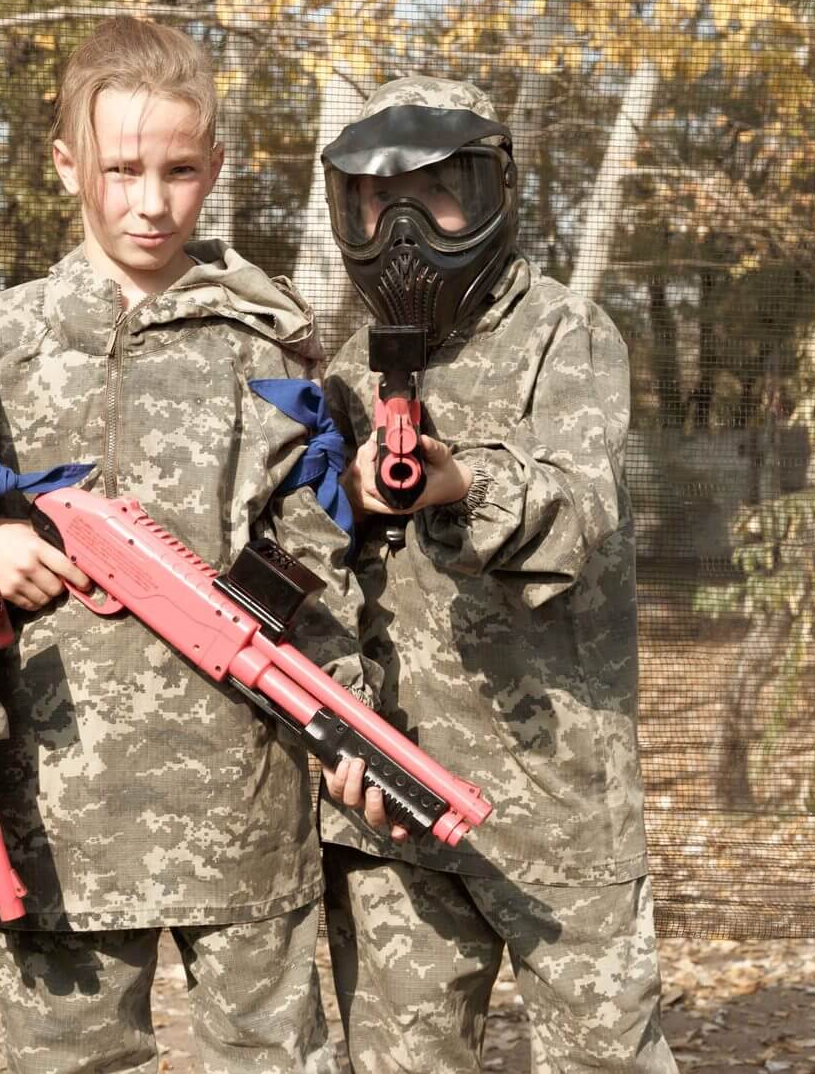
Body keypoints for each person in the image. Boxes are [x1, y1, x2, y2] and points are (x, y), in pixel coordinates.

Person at [0, 16, 370, 1073]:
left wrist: (348, 717)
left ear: (216, 167)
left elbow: (321, 548)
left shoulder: (271, 342)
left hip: (242, 792)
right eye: (122, 170)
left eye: (178, 171)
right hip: (54, 799)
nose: (150, 202)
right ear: (67, 163)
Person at [317, 76, 677, 1073]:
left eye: (437, 191)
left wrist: (461, 481)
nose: (402, 228)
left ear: (491, 190)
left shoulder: (565, 333)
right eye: (378, 199)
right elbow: (316, 580)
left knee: (607, 1058)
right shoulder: (345, 369)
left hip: (558, 797)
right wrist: (335, 732)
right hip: (395, 796)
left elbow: (581, 507)